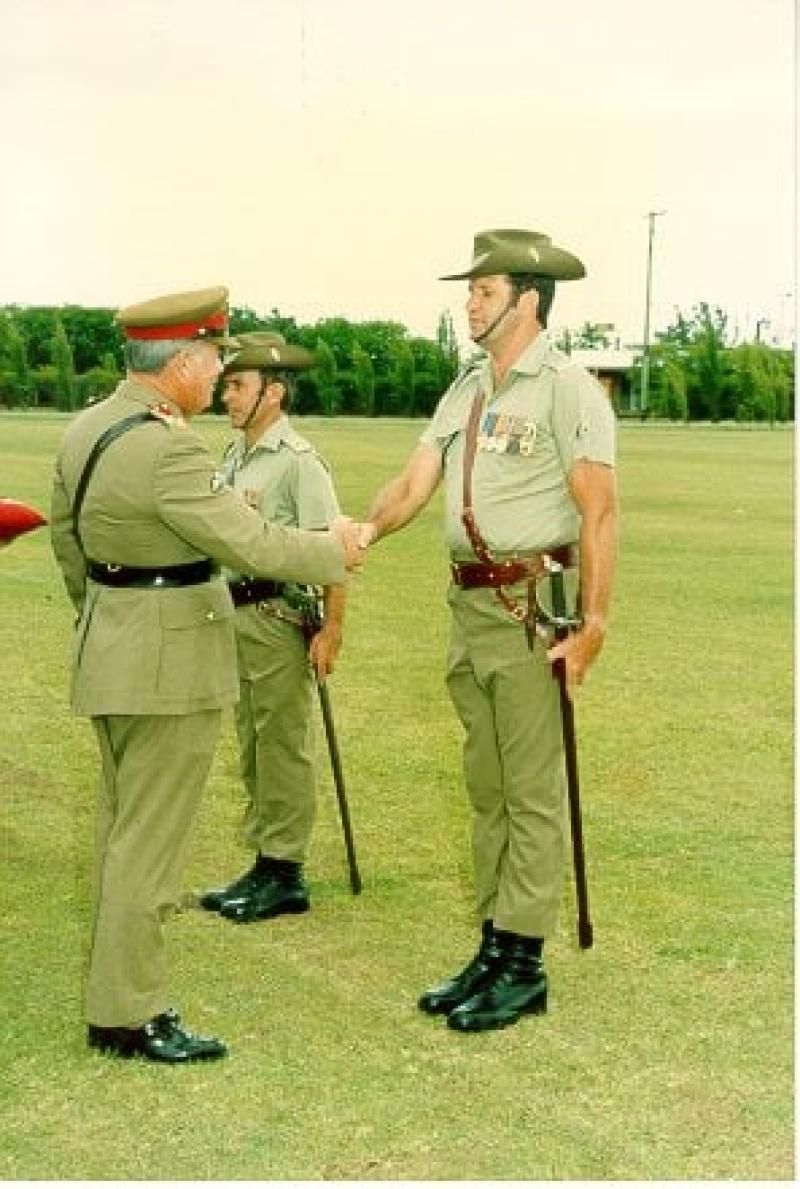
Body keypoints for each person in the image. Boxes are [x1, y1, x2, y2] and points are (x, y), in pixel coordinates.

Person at [50, 287, 362, 1064]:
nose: (218, 372)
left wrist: (106, 620)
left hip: (113, 651)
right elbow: (251, 541)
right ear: (183, 361)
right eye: (215, 358)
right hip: (169, 668)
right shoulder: (171, 447)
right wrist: (337, 550)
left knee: (122, 832)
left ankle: (115, 996)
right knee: (148, 847)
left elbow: (67, 543)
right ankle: (130, 1010)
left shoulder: (86, 427)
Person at [360, 229, 618, 1033]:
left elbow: (598, 510)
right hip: (470, 610)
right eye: (469, 290)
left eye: (483, 289)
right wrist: (360, 534)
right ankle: (492, 942)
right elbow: (413, 482)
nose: (468, 301)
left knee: (530, 791)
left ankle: (523, 962)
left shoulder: (568, 389)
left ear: (527, 300)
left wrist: (597, 622)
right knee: (487, 788)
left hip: (530, 610)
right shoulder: (466, 389)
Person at [199, 331, 345, 923]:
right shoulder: (234, 456)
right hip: (236, 616)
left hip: (279, 618)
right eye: (227, 384)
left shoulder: (299, 464)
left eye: (237, 386)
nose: (226, 396)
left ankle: (285, 871)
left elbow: (333, 550)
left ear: (274, 393)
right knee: (254, 740)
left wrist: (332, 629)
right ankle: (264, 861)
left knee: (282, 742)